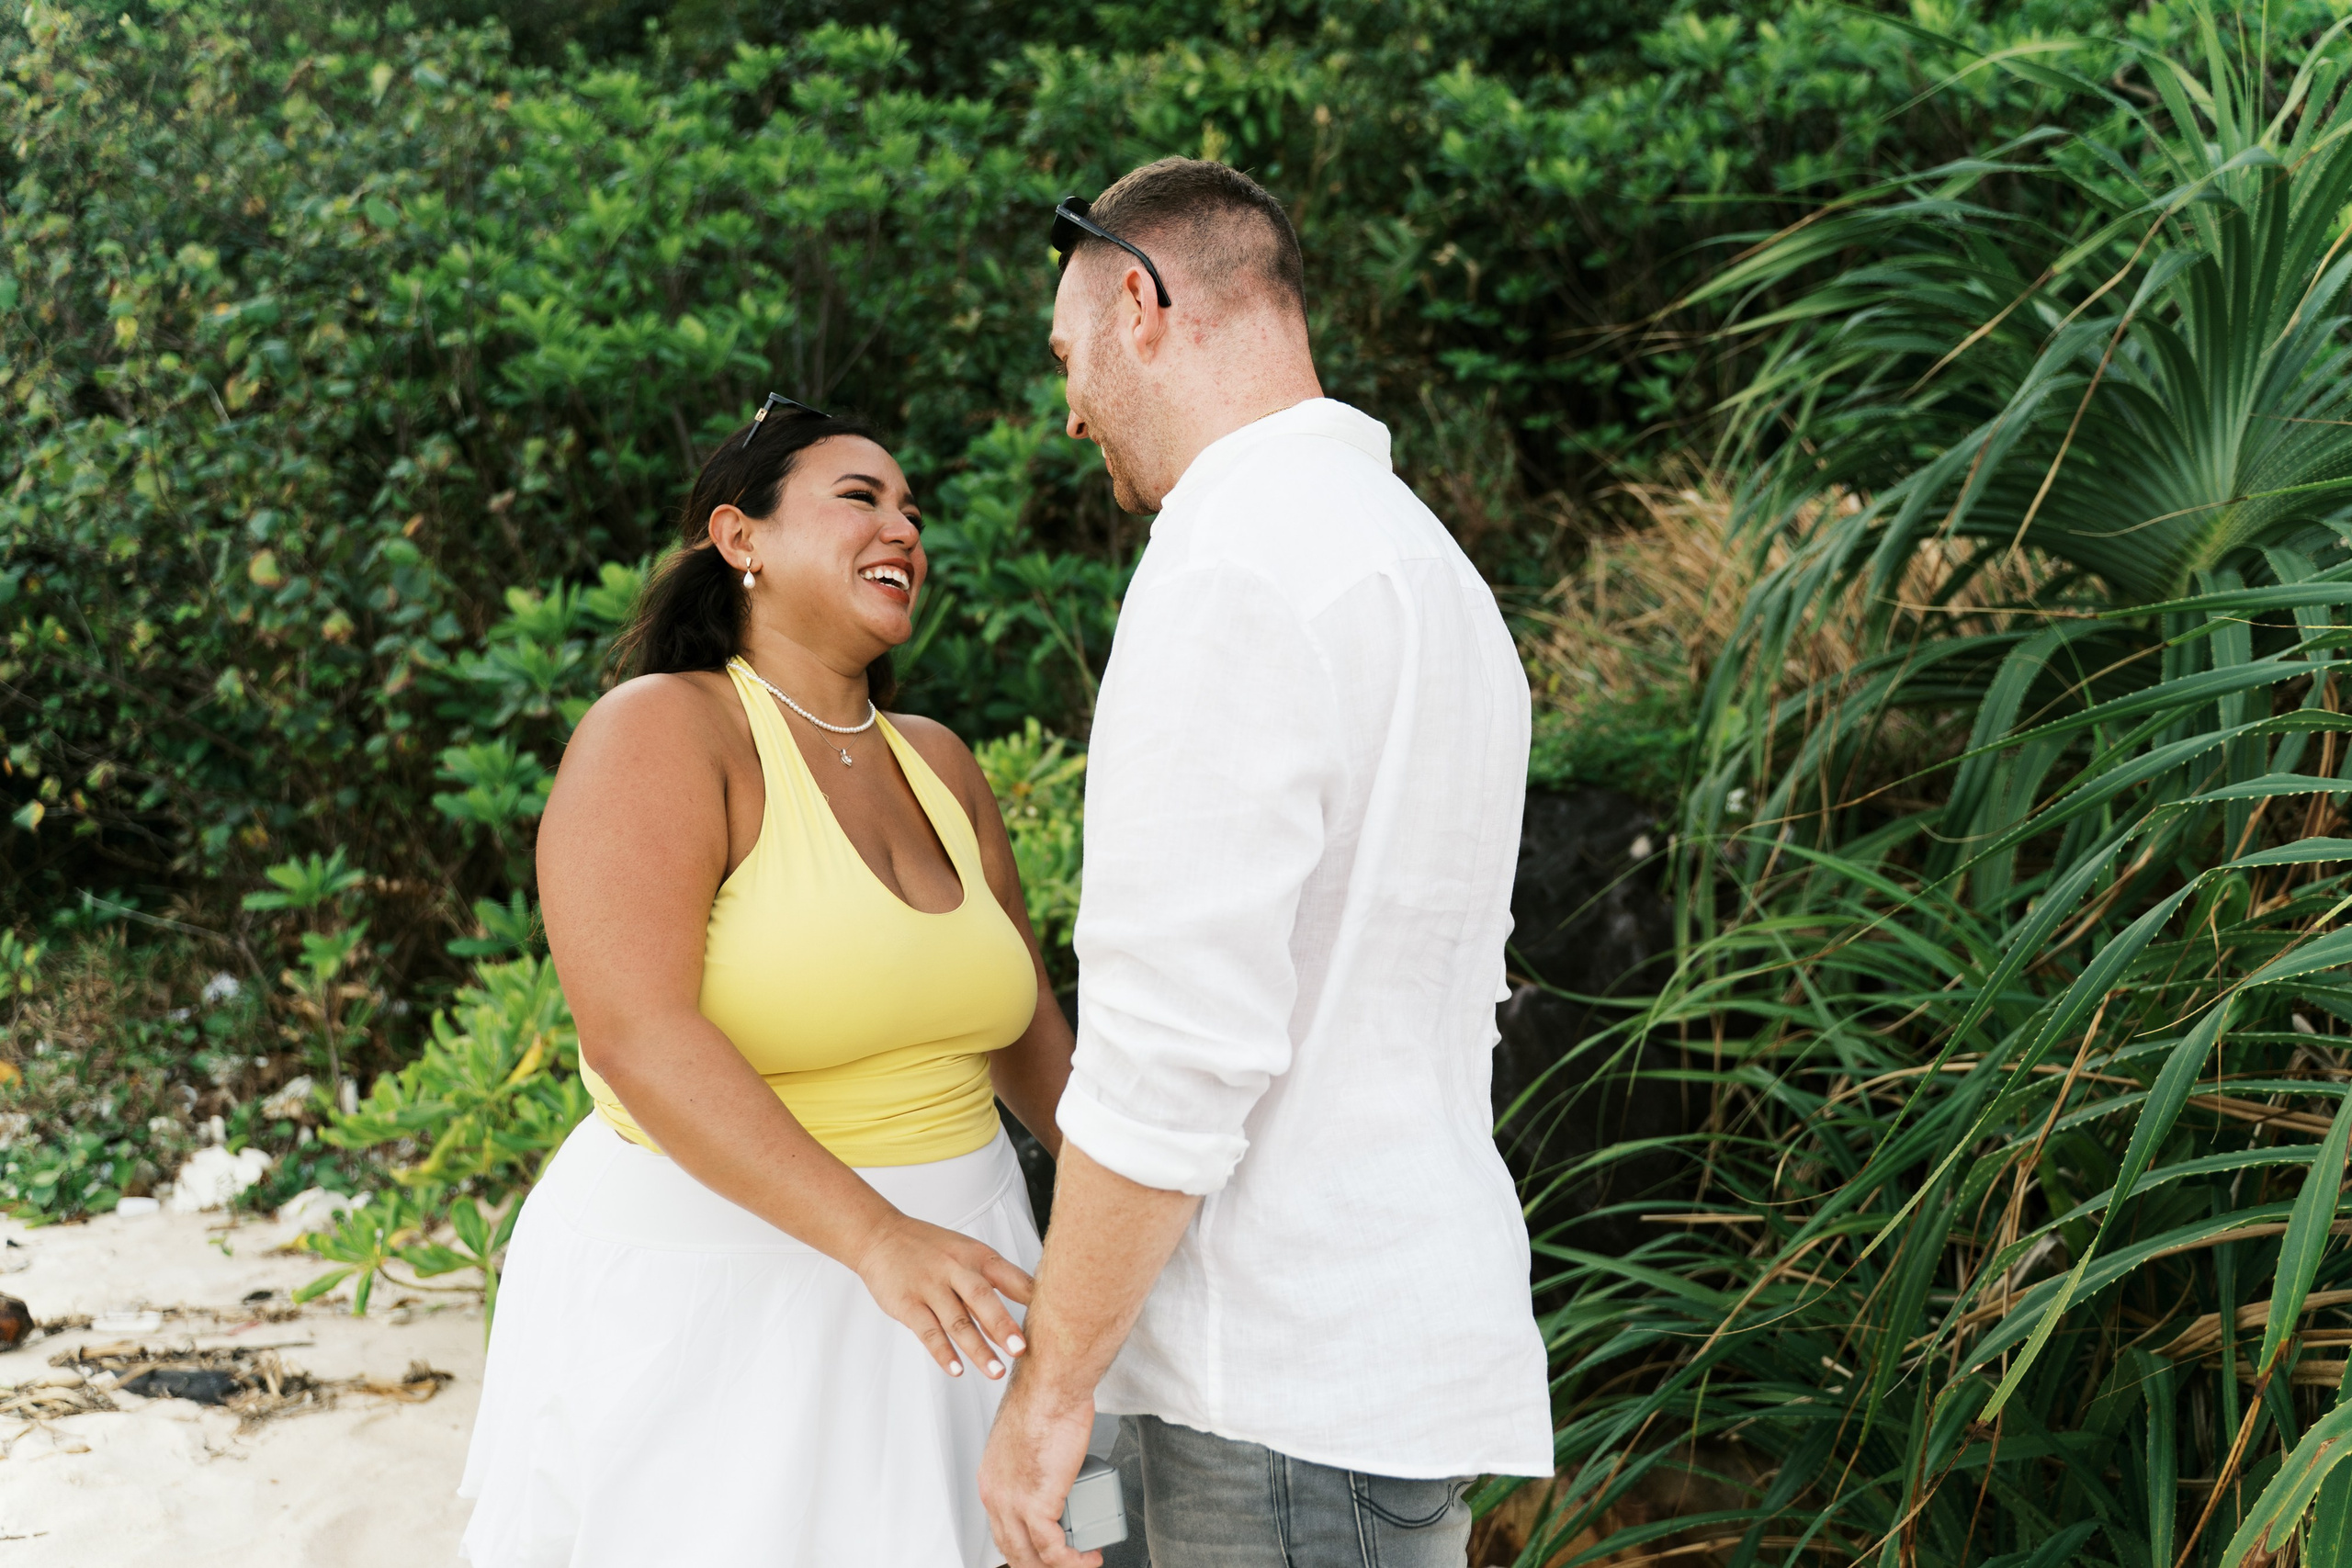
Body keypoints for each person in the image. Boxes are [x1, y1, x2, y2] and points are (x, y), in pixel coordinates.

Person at [978, 158, 1554, 1568]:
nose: (1070, 410)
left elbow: (1173, 1050)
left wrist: (1050, 1392)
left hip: (1271, 1394)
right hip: (1376, 1355)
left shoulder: (1232, 564)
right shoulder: (1428, 568)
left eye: (1067, 357)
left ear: (1141, 303)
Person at [458, 400, 1077, 1567]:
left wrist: (1123, 1212)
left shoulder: (940, 761)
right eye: (860, 498)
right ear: (739, 537)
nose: (904, 528)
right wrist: (877, 1238)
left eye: (912, 510)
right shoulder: (660, 730)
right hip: (729, 1288)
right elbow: (637, 1034)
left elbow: (1027, 1028)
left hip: (970, 1281)